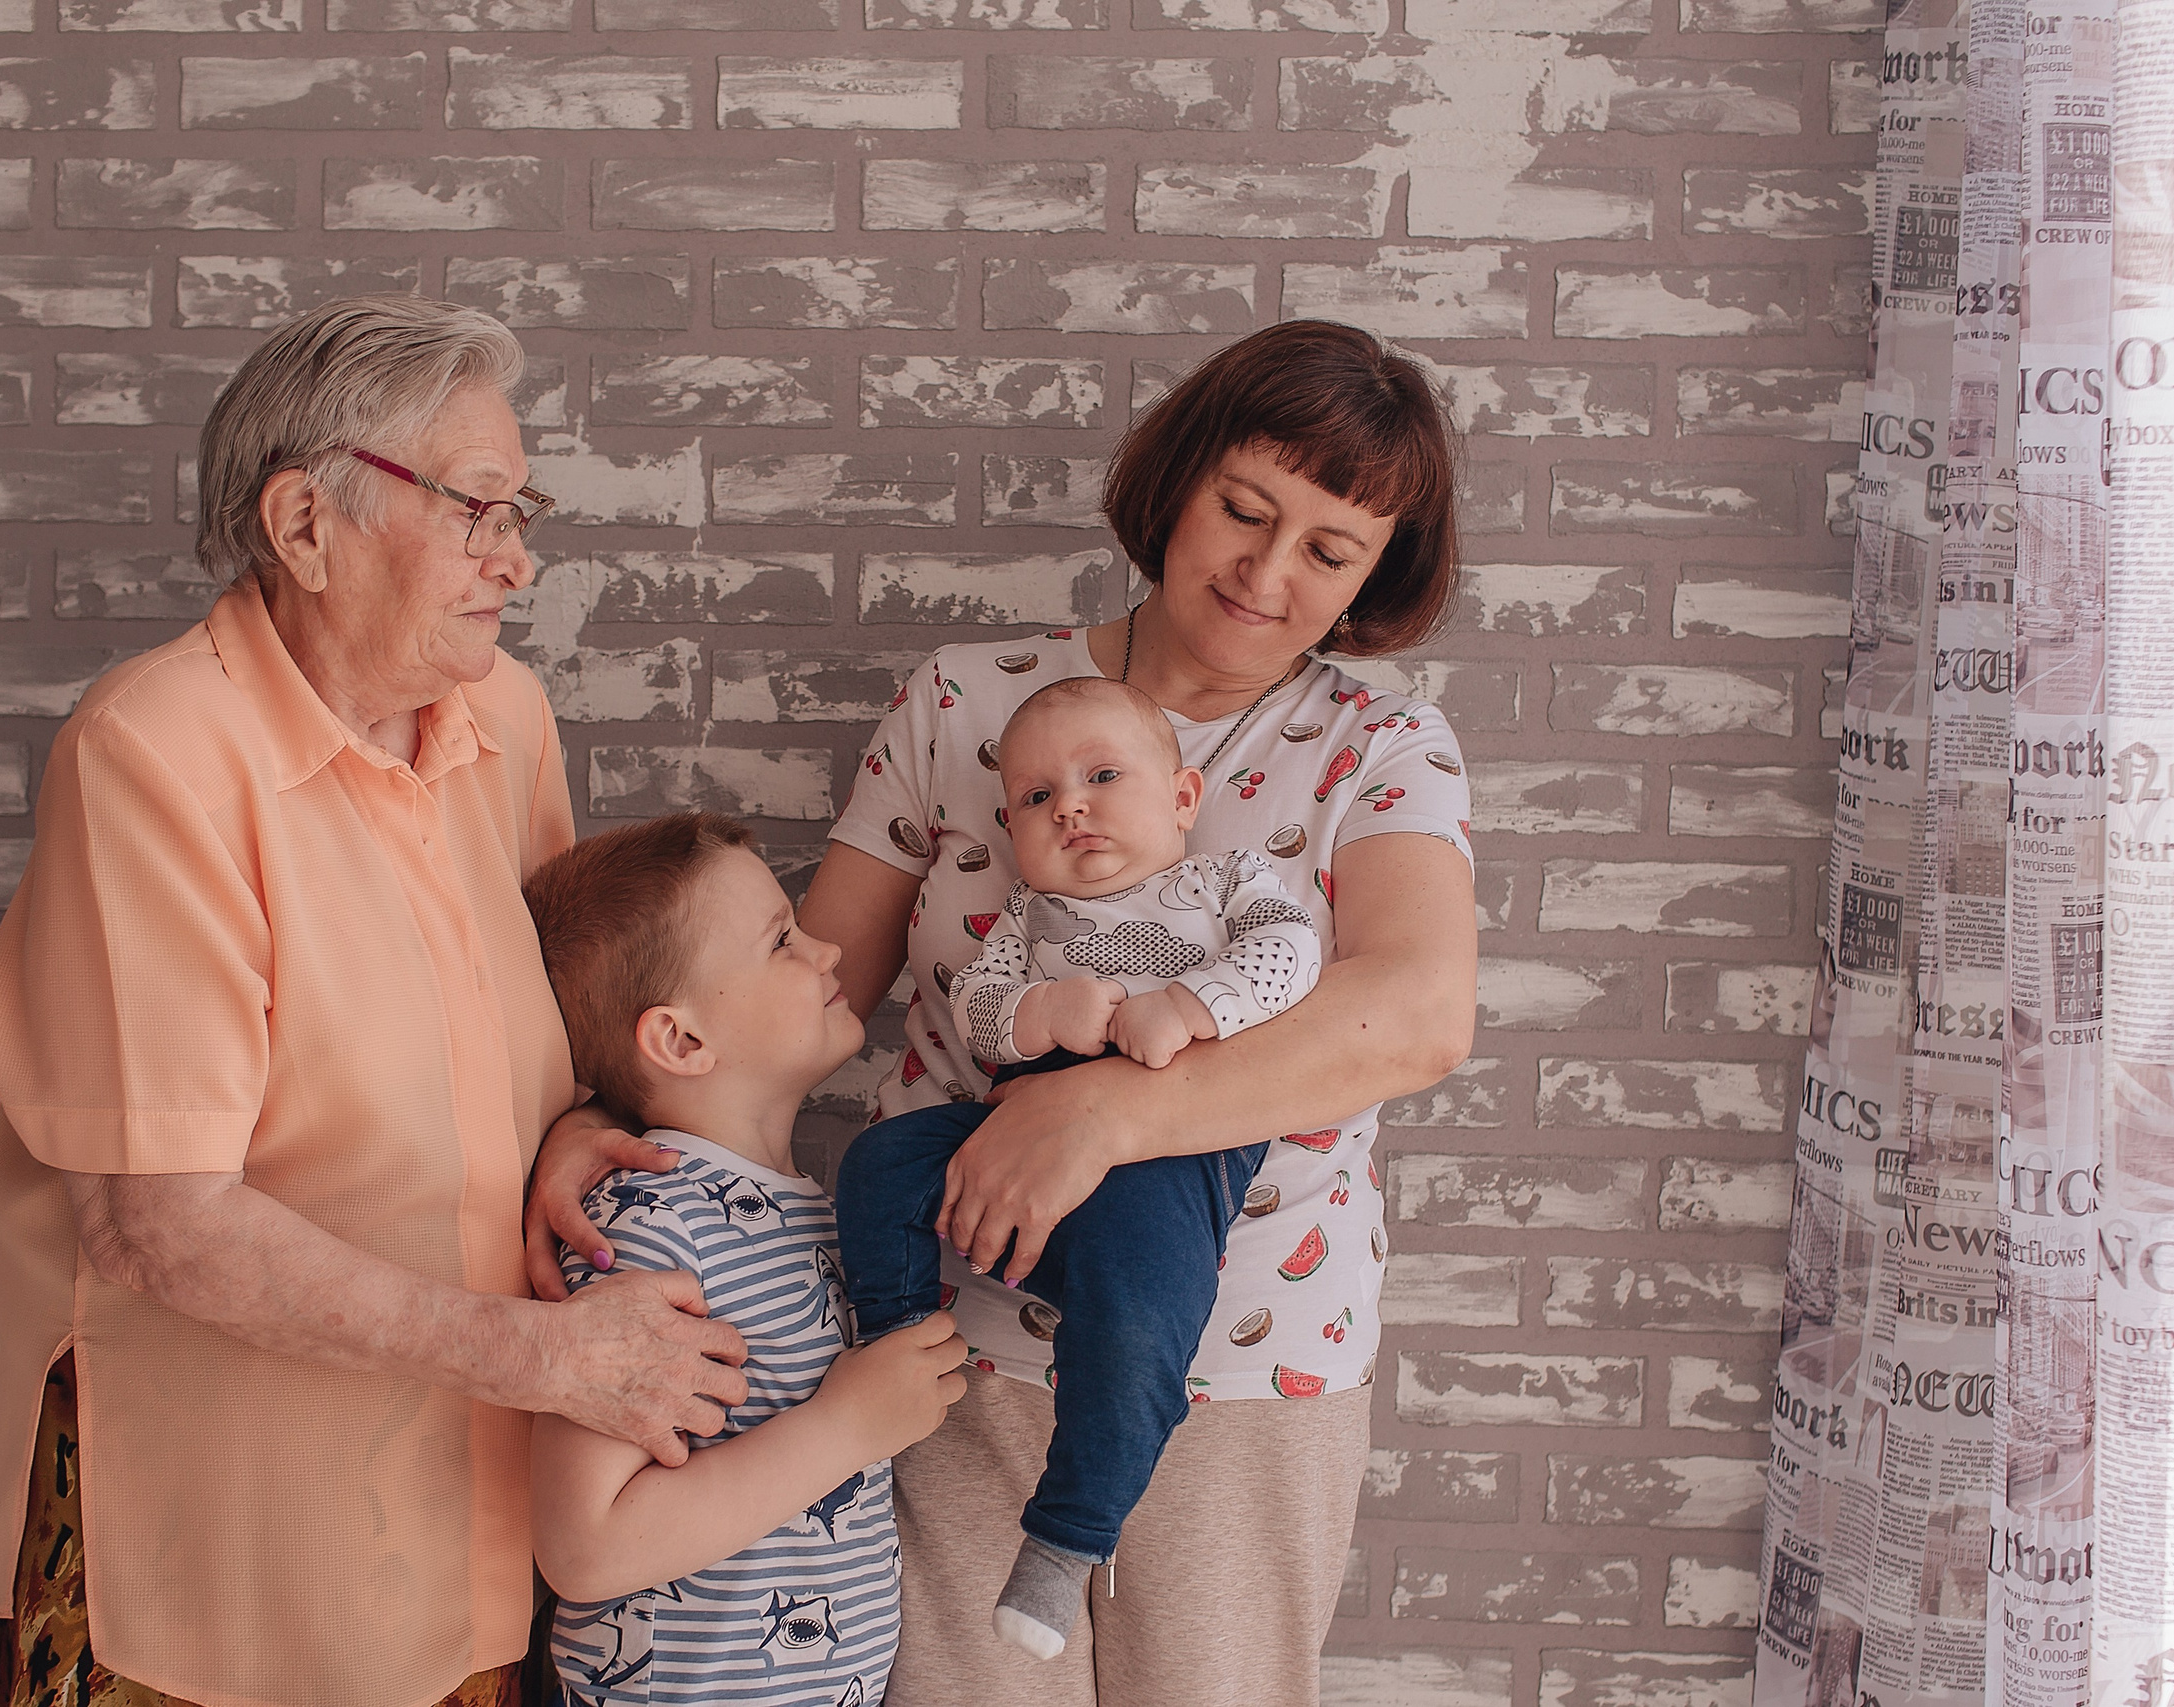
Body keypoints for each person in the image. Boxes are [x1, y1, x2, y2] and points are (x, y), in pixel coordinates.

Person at [529, 318, 1482, 1707]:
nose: (1266, 573)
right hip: (944, 1345)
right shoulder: (961, 700)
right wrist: (601, 1111)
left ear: (1371, 578)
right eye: (1243, 510)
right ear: (1179, 481)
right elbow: (801, 983)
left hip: (1243, 1362)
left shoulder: (1380, 747)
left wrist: (1100, 1113)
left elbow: (1417, 1014)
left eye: (1329, 551)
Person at [0, 296, 749, 1707]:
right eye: (478, 508)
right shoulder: (154, 754)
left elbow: (555, 1026)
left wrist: (572, 1127)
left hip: (460, 1508)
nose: (518, 557)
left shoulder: (505, 716)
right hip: (216, 1532)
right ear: (306, 524)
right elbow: (160, 1220)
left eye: (521, 511)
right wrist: (550, 1358)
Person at [832, 677, 1323, 1659]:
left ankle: (1066, 1540)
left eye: (1102, 777)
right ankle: (896, 1336)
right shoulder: (1028, 914)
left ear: (1182, 798)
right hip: (1013, 1136)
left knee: (1139, 1333)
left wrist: (1191, 1007)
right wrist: (1039, 1015)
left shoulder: (1225, 883)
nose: (1071, 808)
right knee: (881, 1161)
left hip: (1168, 1167)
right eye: (1036, 797)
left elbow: (1292, 954)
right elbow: (979, 1010)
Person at [521, 813, 970, 1706]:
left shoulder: (812, 1210)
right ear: (682, 1040)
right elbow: (585, 1546)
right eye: (782, 939)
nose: (827, 950)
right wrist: (846, 1427)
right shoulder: (647, 1226)